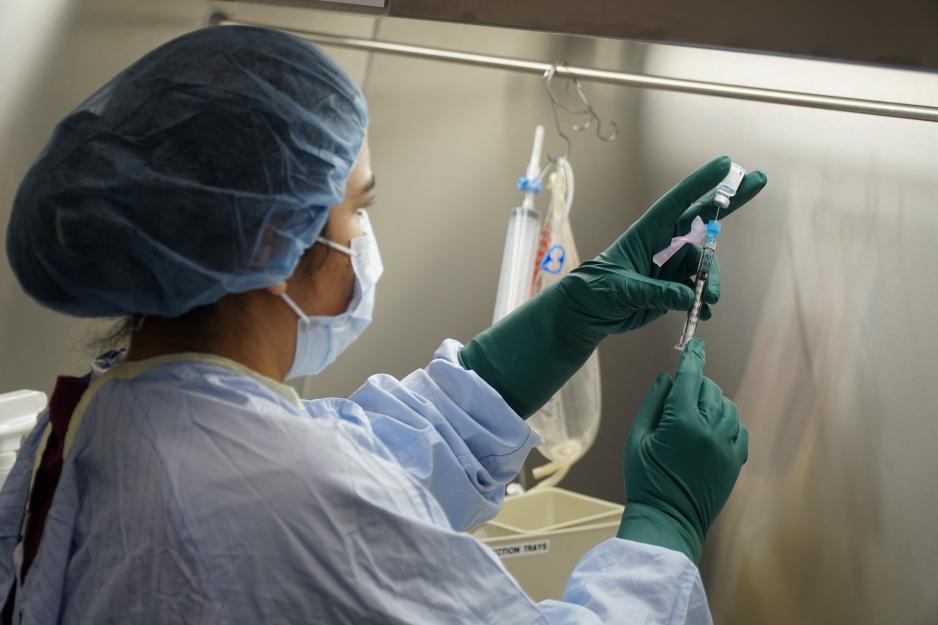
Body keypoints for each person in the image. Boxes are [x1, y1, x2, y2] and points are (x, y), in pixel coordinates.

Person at [1, 25, 766, 624]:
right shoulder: (283, 500)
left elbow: (358, 456)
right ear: (273, 240)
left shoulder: (106, 412)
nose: (364, 239)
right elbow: (332, 502)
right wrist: (665, 526)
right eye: (357, 209)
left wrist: (562, 324)